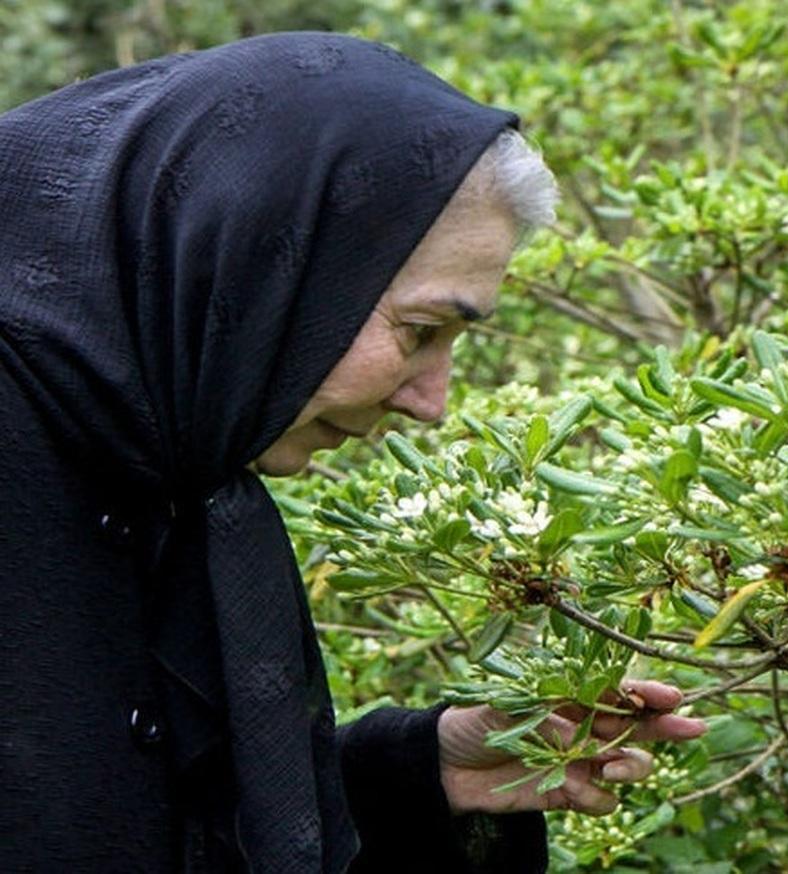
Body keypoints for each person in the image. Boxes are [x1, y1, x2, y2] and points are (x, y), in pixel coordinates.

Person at [0, 31, 706, 874]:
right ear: (255, 261)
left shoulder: (172, 462)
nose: (431, 403)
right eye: (420, 331)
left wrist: (415, 773)